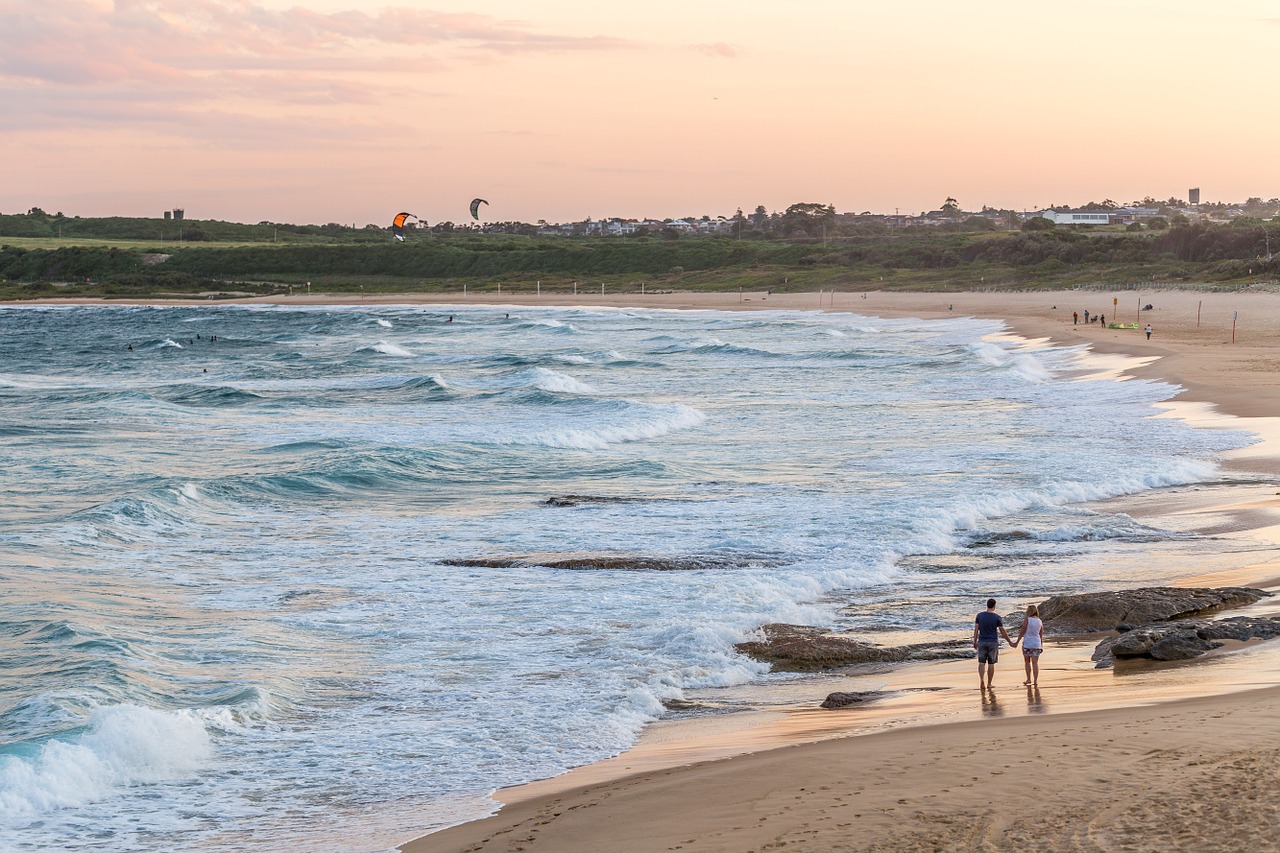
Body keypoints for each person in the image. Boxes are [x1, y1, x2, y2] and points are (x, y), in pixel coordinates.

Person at [973, 598, 1015, 690]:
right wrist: (1009, 641)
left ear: (987, 605)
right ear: (994, 606)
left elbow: (976, 630)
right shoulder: (997, 617)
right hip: (993, 642)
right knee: (991, 663)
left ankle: (981, 680)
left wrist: (975, 641)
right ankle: (989, 683)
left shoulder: (979, 616)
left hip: (982, 641)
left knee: (981, 662)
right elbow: (1002, 631)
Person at [1013, 604, 1044, 686]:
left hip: (1027, 643)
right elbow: (1041, 634)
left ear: (1029, 611)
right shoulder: (1039, 621)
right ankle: (1035, 681)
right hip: (1036, 644)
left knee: (1027, 662)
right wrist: (1041, 645)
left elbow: (1022, 631)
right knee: (1035, 663)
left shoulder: (1028, 620)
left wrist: (1017, 641)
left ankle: (1028, 679)